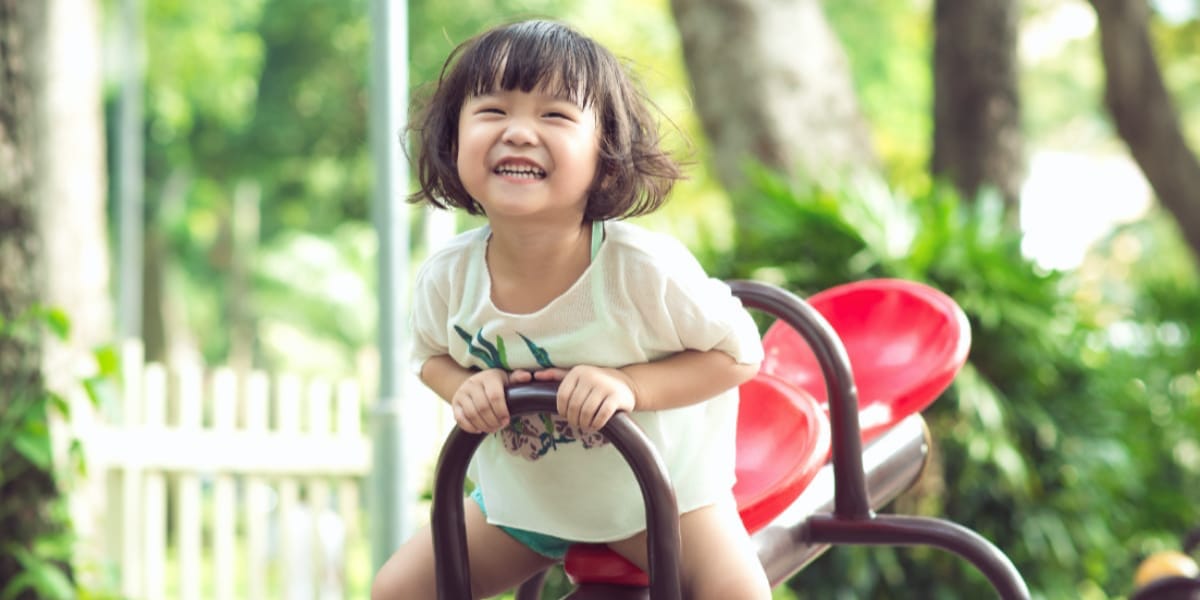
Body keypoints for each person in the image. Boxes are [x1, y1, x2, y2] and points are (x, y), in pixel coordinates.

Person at [370, 19, 770, 600]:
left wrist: (630, 384)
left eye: (554, 115)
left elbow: (738, 355)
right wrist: (463, 387)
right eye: (492, 111)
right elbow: (428, 356)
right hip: (526, 503)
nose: (519, 133)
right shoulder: (448, 276)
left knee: (738, 594)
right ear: (453, 143)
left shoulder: (641, 270)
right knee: (396, 590)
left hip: (655, 502)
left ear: (606, 158)